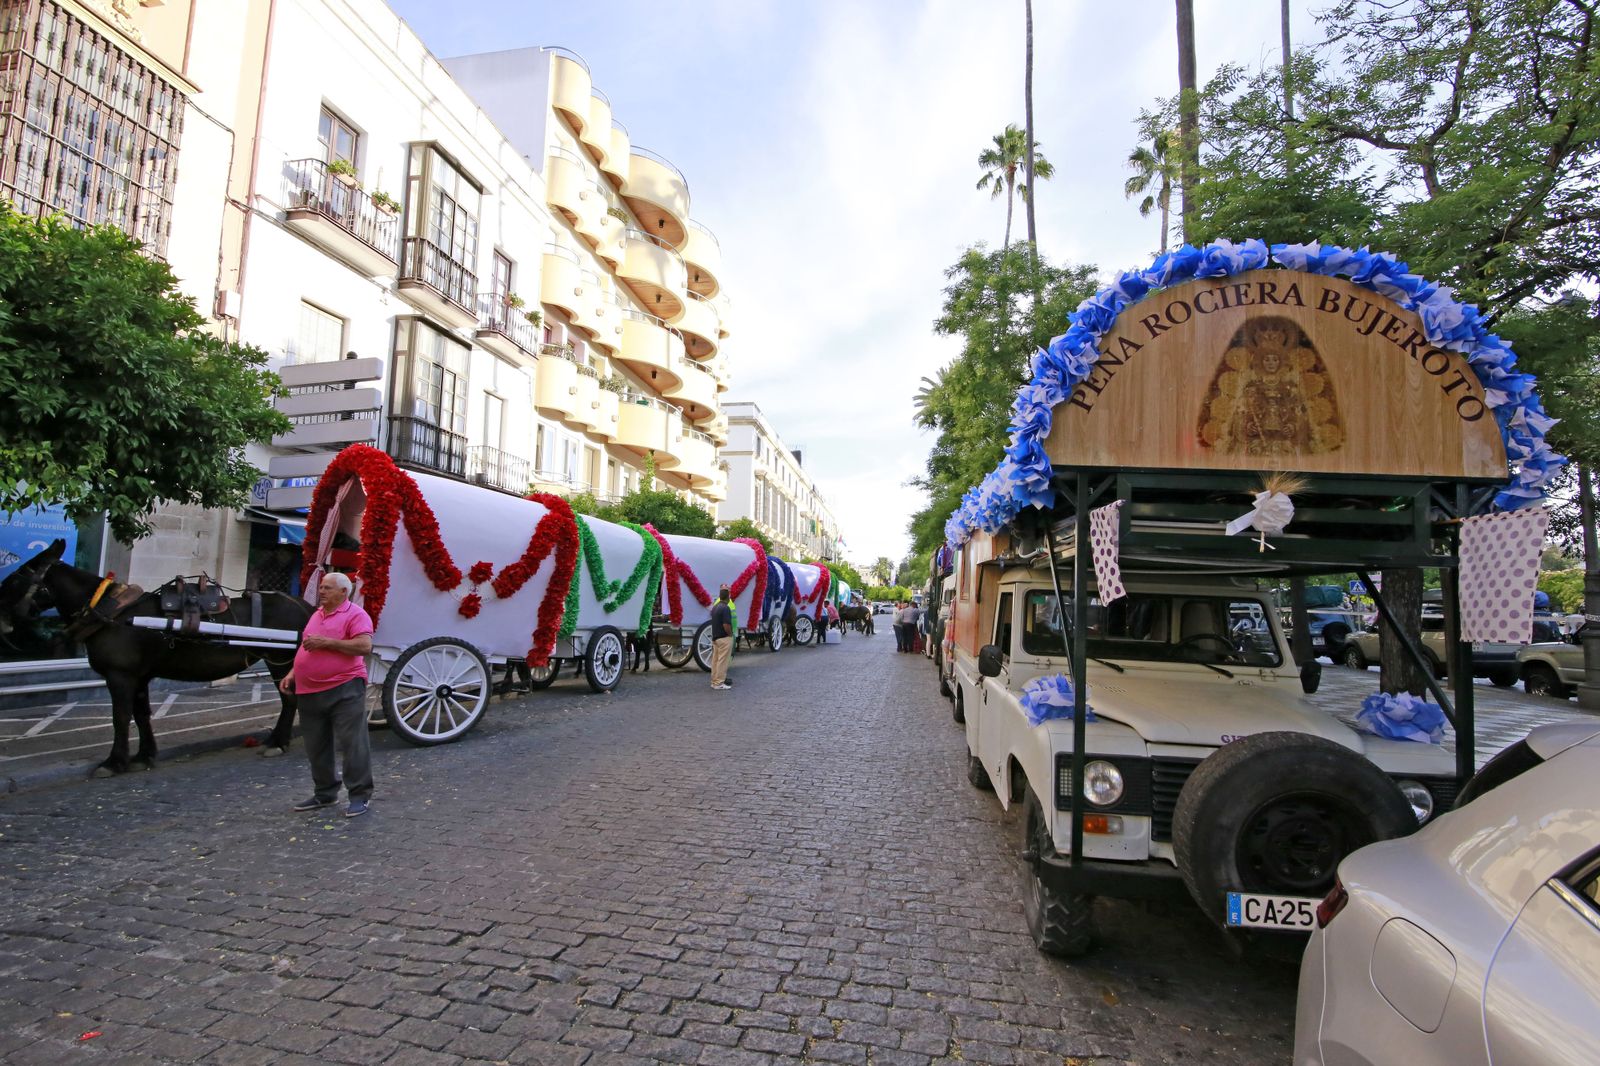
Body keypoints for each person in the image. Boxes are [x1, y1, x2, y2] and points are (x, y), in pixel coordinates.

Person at [280, 571, 376, 817]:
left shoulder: (356, 614)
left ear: (344, 592)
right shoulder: (316, 615)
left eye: (327, 588)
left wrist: (327, 643)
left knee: (352, 743)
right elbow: (306, 647)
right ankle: (325, 793)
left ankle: (359, 795)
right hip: (309, 690)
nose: (321, 591)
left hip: (344, 687)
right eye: (321, 587)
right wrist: (292, 673)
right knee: (315, 745)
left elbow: (364, 646)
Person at [709, 585, 734, 690]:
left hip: (715, 638)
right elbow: (726, 625)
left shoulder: (715, 607)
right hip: (724, 638)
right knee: (722, 662)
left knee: (715, 661)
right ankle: (719, 683)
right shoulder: (726, 608)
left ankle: (714, 681)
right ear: (728, 597)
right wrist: (730, 634)